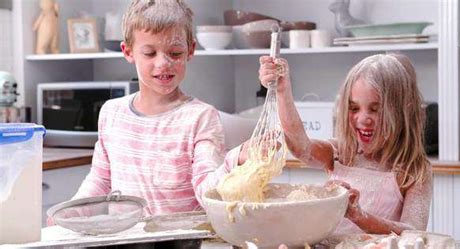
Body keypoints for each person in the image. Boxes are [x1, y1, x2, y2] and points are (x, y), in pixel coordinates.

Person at [71, 0, 243, 216]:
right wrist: (70, 213)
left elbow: (208, 193)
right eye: (150, 53)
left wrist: (235, 160)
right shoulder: (111, 113)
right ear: (128, 51)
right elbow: (100, 180)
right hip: (126, 241)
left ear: (190, 50)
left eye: (175, 53)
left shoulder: (200, 117)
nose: (163, 63)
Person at [258, 53, 432, 235]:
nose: (363, 119)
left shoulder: (415, 170)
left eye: (375, 109)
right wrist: (282, 91)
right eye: (354, 108)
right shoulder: (342, 152)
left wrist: (360, 216)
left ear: (402, 111)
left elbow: (413, 232)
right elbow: (302, 148)